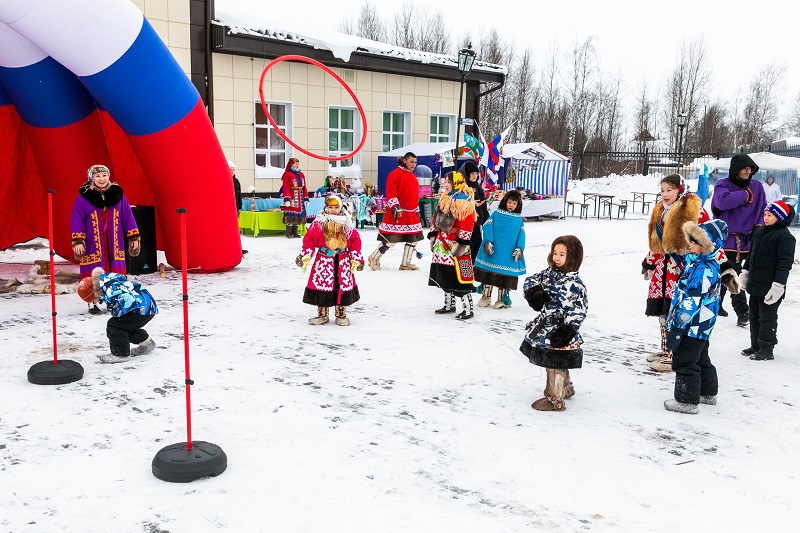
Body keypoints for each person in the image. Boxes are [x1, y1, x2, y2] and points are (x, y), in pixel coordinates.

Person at [641, 174, 737, 372]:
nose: (665, 194)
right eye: (663, 190)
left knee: (678, 312)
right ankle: (666, 350)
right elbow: (657, 243)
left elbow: (709, 242)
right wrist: (650, 262)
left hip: (685, 269)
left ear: (680, 189)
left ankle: (676, 354)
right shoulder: (660, 211)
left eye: (670, 190)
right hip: (663, 271)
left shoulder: (694, 211)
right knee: (663, 313)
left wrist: (725, 268)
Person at [663, 219, 728, 414]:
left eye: (694, 242)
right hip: (702, 325)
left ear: (707, 245)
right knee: (701, 358)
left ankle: (687, 401)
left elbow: (691, 302)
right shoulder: (705, 263)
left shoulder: (704, 269)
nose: (690, 245)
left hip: (691, 324)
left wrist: (677, 326)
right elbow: (688, 262)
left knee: (684, 361)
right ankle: (708, 393)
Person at [520, 235, 588, 412]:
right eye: (555, 253)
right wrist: (535, 293)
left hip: (560, 331)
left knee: (554, 363)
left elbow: (578, 311)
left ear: (572, 257)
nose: (557, 258)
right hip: (544, 327)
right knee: (554, 361)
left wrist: (567, 331)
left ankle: (554, 398)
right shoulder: (549, 273)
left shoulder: (574, 284)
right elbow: (531, 280)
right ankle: (565, 386)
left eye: (562, 254)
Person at [70, 164, 140, 315]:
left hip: (114, 243)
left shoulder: (118, 195)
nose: (101, 179)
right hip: (92, 244)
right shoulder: (83, 198)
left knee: (115, 272)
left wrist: (133, 237)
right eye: (97, 176)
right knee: (93, 272)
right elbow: (77, 220)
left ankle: (116, 301)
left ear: (108, 176)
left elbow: (128, 217)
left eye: (104, 175)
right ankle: (92, 302)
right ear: (91, 178)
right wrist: (78, 241)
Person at [711, 154, 766, 326]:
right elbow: (722, 202)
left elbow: (763, 207)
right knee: (732, 273)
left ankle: (716, 305)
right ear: (735, 169)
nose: (748, 172)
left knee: (726, 273)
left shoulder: (757, 186)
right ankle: (743, 312)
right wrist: (744, 195)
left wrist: (759, 225)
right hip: (726, 240)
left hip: (747, 240)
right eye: (744, 168)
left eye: (750, 169)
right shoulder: (723, 185)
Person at [739, 201, 796, 361]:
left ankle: (766, 349)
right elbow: (751, 255)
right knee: (754, 316)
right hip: (756, 283)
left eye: (769, 215)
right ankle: (755, 345)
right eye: (765, 215)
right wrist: (745, 272)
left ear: (779, 217)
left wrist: (778, 286)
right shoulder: (759, 232)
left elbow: (784, 265)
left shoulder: (785, 237)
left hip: (771, 287)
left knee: (767, 318)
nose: (765, 218)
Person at [296, 195, 364, 326]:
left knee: (342, 286)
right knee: (323, 287)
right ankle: (322, 315)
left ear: (341, 207)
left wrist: (356, 259)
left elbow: (355, 241)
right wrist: (305, 255)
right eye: (330, 207)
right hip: (324, 261)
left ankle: (341, 314)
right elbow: (309, 240)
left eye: (336, 207)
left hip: (343, 260)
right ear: (326, 207)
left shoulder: (346, 223)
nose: (333, 210)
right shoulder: (319, 223)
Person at [77, 267, 158, 364]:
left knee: (114, 326)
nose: (95, 302)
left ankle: (120, 354)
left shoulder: (110, 289)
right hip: (147, 307)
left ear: (93, 293)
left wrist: (117, 313)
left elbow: (127, 299)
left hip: (140, 309)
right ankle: (147, 343)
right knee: (125, 328)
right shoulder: (107, 281)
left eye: (93, 299)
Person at [427, 171, 477, 320]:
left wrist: (461, 243)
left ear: (456, 183)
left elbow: (467, 224)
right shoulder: (445, 198)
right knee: (444, 275)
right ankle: (449, 304)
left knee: (460, 277)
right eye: (445, 182)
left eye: (448, 182)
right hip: (442, 244)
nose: (445, 185)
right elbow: (436, 218)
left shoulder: (464, 200)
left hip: (456, 244)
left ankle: (468, 308)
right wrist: (433, 234)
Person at [367, 152, 423, 270]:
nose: (413, 165)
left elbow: (413, 194)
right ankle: (374, 258)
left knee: (413, 240)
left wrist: (415, 208)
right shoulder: (395, 174)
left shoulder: (412, 176)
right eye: (411, 162)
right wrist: (395, 206)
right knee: (390, 240)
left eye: (415, 162)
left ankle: (405, 263)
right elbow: (391, 192)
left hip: (411, 213)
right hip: (398, 212)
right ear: (404, 161)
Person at [474, 189, 526, 309]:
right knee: (488, 273)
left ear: (518, 205)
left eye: (514, 203)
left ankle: (502, 298)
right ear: (505, 201)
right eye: (509, 202)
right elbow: (488, 226)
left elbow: (521, 235)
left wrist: (519, 248)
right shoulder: (497, 214)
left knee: (504, 275)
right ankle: (486, 296)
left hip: (507, 253)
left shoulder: (518, 220)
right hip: (494, 250)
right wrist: (488, 242)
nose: (511, 205)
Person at [462, 161, 489, 264]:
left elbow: (483, 206)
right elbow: (458, 205)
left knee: (477, 244)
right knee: (468, 246)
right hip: (466, 223)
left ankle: (476, 265)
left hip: (476, 224)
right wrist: (471, 204)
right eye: (472, 173)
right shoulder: (462, 188)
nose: (475, 176)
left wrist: (487, 220)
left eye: (476, 173)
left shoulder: (477, 187)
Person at [281, 158, 309, 238]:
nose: (297, 165)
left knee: (298, 215)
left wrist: (306, 198)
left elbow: (304, 187)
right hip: (292, 197)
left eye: (298, 163)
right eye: (295, 164)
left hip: (300, 198)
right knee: (291, 214)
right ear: (291, 164)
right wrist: (287, 199)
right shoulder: (287, 174)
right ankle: (289, 232)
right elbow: (286, 187)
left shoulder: (301, 174)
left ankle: (295, 231)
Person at [229, 159, 248, 255]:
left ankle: (237, 247)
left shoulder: (236, 181)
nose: (232, 172)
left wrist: (239, 205)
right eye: (230, 170)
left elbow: (238, 194)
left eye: (233, 170)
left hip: (235, 207)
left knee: (236, 229)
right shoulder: (225, 180)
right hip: (228, 209)